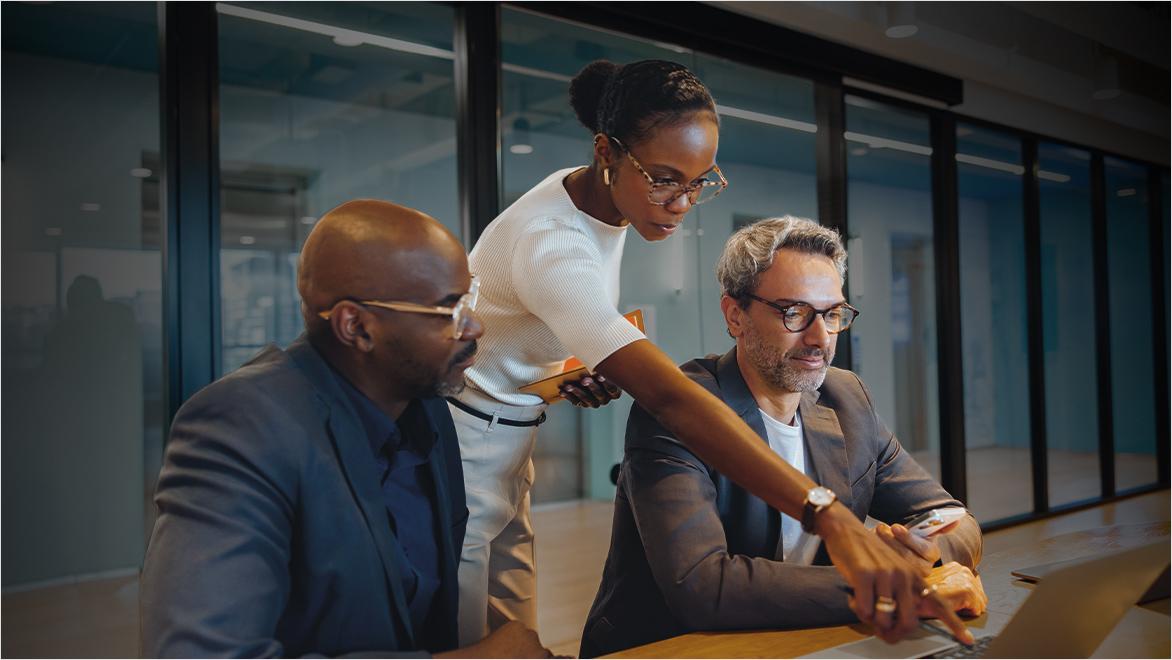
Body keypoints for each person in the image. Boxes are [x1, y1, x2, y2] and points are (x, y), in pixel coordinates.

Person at [452, 59, 968, 646]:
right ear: (606, 152)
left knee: (512, 634)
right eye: (664, 178)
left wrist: (559, 370)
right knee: (472, 639)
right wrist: (826, 514)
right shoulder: (554, 243)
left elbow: (519, 324)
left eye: (699, 182)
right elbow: (672, 397)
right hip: (464, 440)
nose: (681, 202)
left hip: (514, 427)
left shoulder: (597, 200)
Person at [140, 200, 552, 658]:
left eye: (468, 299)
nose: (475, 326)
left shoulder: (426, 406)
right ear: (356, 325)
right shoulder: (240, 427)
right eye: (449, 308)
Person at [579, 216, 987, 656]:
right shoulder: (682, 410)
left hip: (802, 643)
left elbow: (952, 518)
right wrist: (889, 587)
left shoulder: (847, 397)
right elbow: (702, 585)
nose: (820, 338)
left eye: (832, 315)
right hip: (670, 648)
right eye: (794, 312)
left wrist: (928, 557)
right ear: (735, 315)